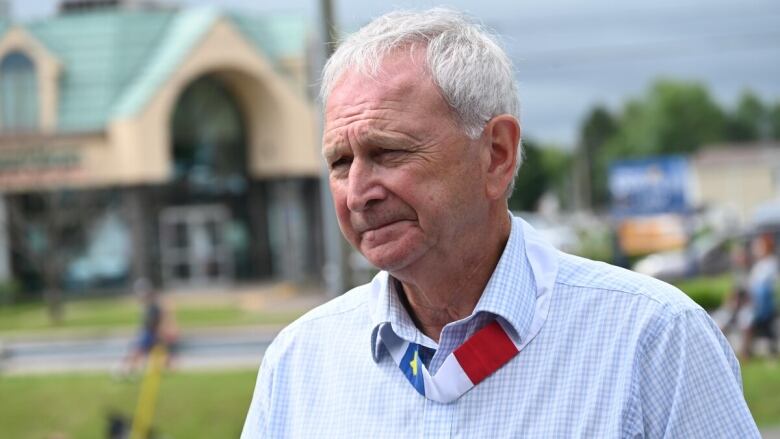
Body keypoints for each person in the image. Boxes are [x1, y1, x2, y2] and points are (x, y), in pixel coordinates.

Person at [242, 8, 759, 437]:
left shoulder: (653, 339)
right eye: (339, 162)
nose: (358, 193)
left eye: (389, 151)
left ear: (496, 155)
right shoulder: (300, 362)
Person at [741, 233, 778, 361]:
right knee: (768, 331)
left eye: (759, 246)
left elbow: (762, 286)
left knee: (749, 324)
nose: (756, 249)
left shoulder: (769, 263)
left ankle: (746, 353)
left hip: (762, 305)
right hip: (756, 303)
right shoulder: (759, 264)